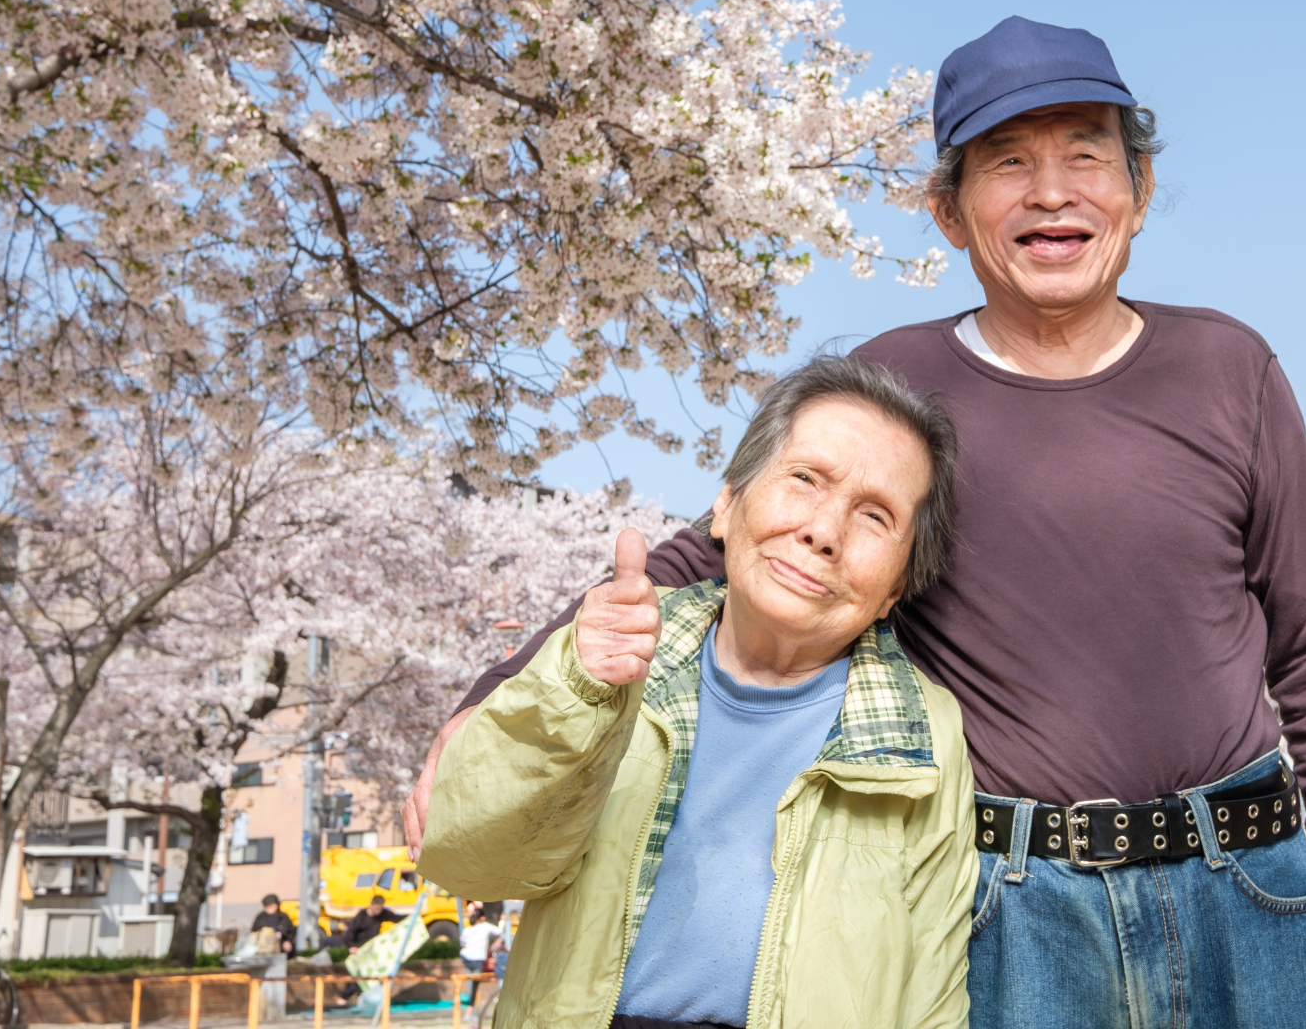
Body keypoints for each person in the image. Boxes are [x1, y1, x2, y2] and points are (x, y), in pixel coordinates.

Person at [408, 17, 1306, 1029]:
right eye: (1007, 163)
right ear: (948, 212)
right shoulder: (901, 379)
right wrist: (497, 693)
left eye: (1084, 155)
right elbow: (709, 547)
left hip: (1247, 880)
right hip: (1020, 907)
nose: (1051, 191)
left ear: (1139, 190)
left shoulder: (1226, 367)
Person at [417, 357, 976, 1029]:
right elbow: (470, 862)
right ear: (726, 502)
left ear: (895, 590)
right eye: (804, 479)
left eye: (876, 516)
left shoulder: (925, 734)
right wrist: (574, 690)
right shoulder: (611, 661)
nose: (823, 533)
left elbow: (931, 995)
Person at [338, 895, 402, 952]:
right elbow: (350, 932)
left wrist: (411, 916)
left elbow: (396, 918)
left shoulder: (382, 914)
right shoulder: (361, 916)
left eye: (380, 909)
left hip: (373, 947)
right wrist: (352, 946)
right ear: (371, 905)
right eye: (376, 909)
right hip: (359, 947)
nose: (378, 911)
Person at [458, 907, 494, 1007]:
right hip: (477, 959)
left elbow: (462, 943)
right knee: (475, 983)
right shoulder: (485, 926)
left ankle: (470, 1005)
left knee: (473, 980)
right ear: (482, 918)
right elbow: (499, 931)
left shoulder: (466, 930)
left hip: (465, 958)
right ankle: (470, 1007)